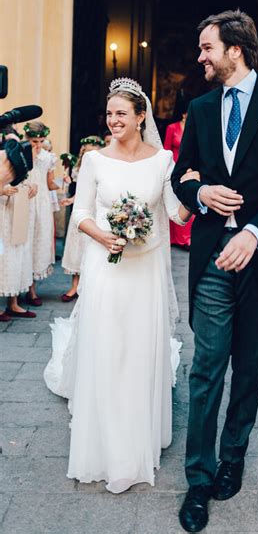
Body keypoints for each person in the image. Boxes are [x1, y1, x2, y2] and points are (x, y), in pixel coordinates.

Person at [171, 10, 258, 533]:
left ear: (235, 49)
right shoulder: (201, 107)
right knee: (206, 366)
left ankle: (234, 457)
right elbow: (185, 173)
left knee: (250, 368)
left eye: (207, 48)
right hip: (211, 256)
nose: (200, 57)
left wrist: (254, 233)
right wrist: (201, 192)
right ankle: (199, 479)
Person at [43, 78, 197, 494]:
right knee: (107, 345)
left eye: (121, 114)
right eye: (109, 114)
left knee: (140, 348)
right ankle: (106, 442)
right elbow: (81, 214)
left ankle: (139, 435)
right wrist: (104, 236)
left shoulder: (163, 160)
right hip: (106, 266)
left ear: (141, 115)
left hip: (144, 271)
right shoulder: (95, 161)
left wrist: (196, 190)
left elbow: (175, 214)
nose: (113, 121)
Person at [59, 136, 104, 302]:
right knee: (77, 246)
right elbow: (81, 191)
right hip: (81, 209)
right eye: (86, 152)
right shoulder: (79, 168)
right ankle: (74, 286)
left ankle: (91, 286)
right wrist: (70, 198)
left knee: (91, 246)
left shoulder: (103, 168)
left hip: (97, 210)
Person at [24, 121, 58, 307]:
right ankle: (18, 283)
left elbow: (51, 183)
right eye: (34, 141)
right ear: (27, 139)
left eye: (41, 141)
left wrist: (65, 181)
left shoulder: (48, 157)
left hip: (42, 203)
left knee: (39, 242)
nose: (38, 145)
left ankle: (32, 289)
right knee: (24, 241)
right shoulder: (20, 154)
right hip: (24, 202)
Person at [0, 177, 38, 320]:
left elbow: (23, 177)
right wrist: (2, 190)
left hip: (15, 210)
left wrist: (31, 185)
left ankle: (13, 303)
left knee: (15, 255)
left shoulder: (13, 155)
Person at [164, 98, 194, 249]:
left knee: (187, 202)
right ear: (183, 114)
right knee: (171, 200)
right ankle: (173, 239)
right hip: (173, 168)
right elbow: (167, 148)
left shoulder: (194, 127)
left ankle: (186, 238)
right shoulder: (172, 128)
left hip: (189, 169)